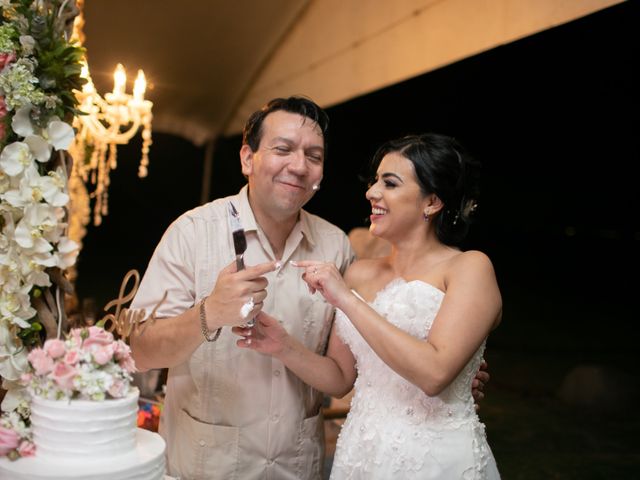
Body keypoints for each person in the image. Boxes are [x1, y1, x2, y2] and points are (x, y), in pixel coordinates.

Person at [130, 97, 489, 480]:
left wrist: (460, 370)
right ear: (247, 158)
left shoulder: (336, 248)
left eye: (313, 156)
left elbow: (352, 364)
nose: (299, 166)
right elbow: (140, 351)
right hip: (205, 465)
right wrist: (209, 313)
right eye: (283, 149)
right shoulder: (192, 233)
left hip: (298, 466)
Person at [234, 132, 502, 479]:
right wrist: (282, 346)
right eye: (375, 181)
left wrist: (344, 298)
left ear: (432, 202)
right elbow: (340, 378)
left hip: (436, 460)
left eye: (389, 184)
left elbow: (434, 374)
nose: (371, 192)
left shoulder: (469, 268)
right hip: (361, 455)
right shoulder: (360, 273)